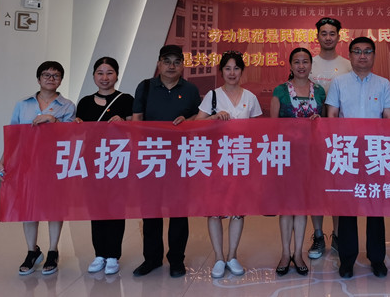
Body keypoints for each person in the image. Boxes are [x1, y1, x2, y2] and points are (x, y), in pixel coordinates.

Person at [326, 36, 390, 278]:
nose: (362, 56)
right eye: (357, 51)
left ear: (374, 56)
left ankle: (377, 258)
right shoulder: (339, 82)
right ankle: (347, 260)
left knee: (375, 207)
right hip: (347, 151)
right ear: (350, 56)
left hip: (375, 152)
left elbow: (389, 118)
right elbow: (332, 116)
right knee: (347, 207)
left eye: (367, 51)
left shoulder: (383, 84)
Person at [0, 61, 76, 276]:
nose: (51, 78)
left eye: (56, 75)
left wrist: (53, 120)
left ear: (61, 80)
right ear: (39, 78)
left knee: (54, 207)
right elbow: (13, 136)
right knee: (28, 208)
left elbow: (71, 135)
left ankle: (53, 251)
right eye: (46, 75)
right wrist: (3, 161)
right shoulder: (23, 104)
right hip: (27, 163)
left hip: (54, 164)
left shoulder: (67, 105)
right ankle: (32, 251)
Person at [191, 50, 262, 279]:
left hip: (241, 160)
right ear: (221, 71)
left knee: (238, 210)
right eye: (228, 68)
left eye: (236, 68)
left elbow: (259, 130)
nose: (232, 73)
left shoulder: (250, 97)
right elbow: (196, 125)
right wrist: (214, 117)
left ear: (242, 71)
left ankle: (232, 255)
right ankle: (219, 258)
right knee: (214, 210)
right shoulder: (212, 96)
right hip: (215, 161)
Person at [132, 45, 201, 278]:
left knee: (178, 211)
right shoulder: (145, 86)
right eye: (167, 61)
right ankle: (151, 258)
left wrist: (189, 119)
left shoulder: (190, 89)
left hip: (180, 157)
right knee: (151, 211)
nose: (172, 66)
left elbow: (198, 116)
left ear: (183, 65)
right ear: (159, 64)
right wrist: (137, 152)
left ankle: (176, 260)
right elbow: (137, 119)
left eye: (176, 61)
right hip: (151, 157)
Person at [74, 57, 134, 275]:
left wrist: (125, 123)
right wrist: (76, 127)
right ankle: (99, 253)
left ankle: (113, 255)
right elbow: (78, 134)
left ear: (117, 75)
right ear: (94, 76)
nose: (105, 77)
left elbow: (136, 130)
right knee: (96, 208)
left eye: (109, 72)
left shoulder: (126, 100)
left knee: (116, 207)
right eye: (100, 72)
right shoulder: (84, 102)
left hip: (117, 161)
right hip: (92, 162)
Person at [270, 47, 325, 276]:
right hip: (286, 156)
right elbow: (272, 126)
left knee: (302, 206)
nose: (301, 66)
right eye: (297, 62)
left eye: (305, 62)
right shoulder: (280, 91)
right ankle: (285, 253)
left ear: (311, 65)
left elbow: (326, 125)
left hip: (311, 156)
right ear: (290, 65)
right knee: (286, 207)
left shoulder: (319, 91)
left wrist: (319, 121)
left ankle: (298, 253)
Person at [308, 17, 351, 258]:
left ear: (338, 36)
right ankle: (317, 235)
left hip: (339, 136)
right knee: (315, 186)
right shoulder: (308, 63)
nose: (327, 37)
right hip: (312, 136)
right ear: (317, 37)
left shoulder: (347, 65)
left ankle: (338, 234)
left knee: (337, 186)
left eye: (332, 33)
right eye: (323, 33)